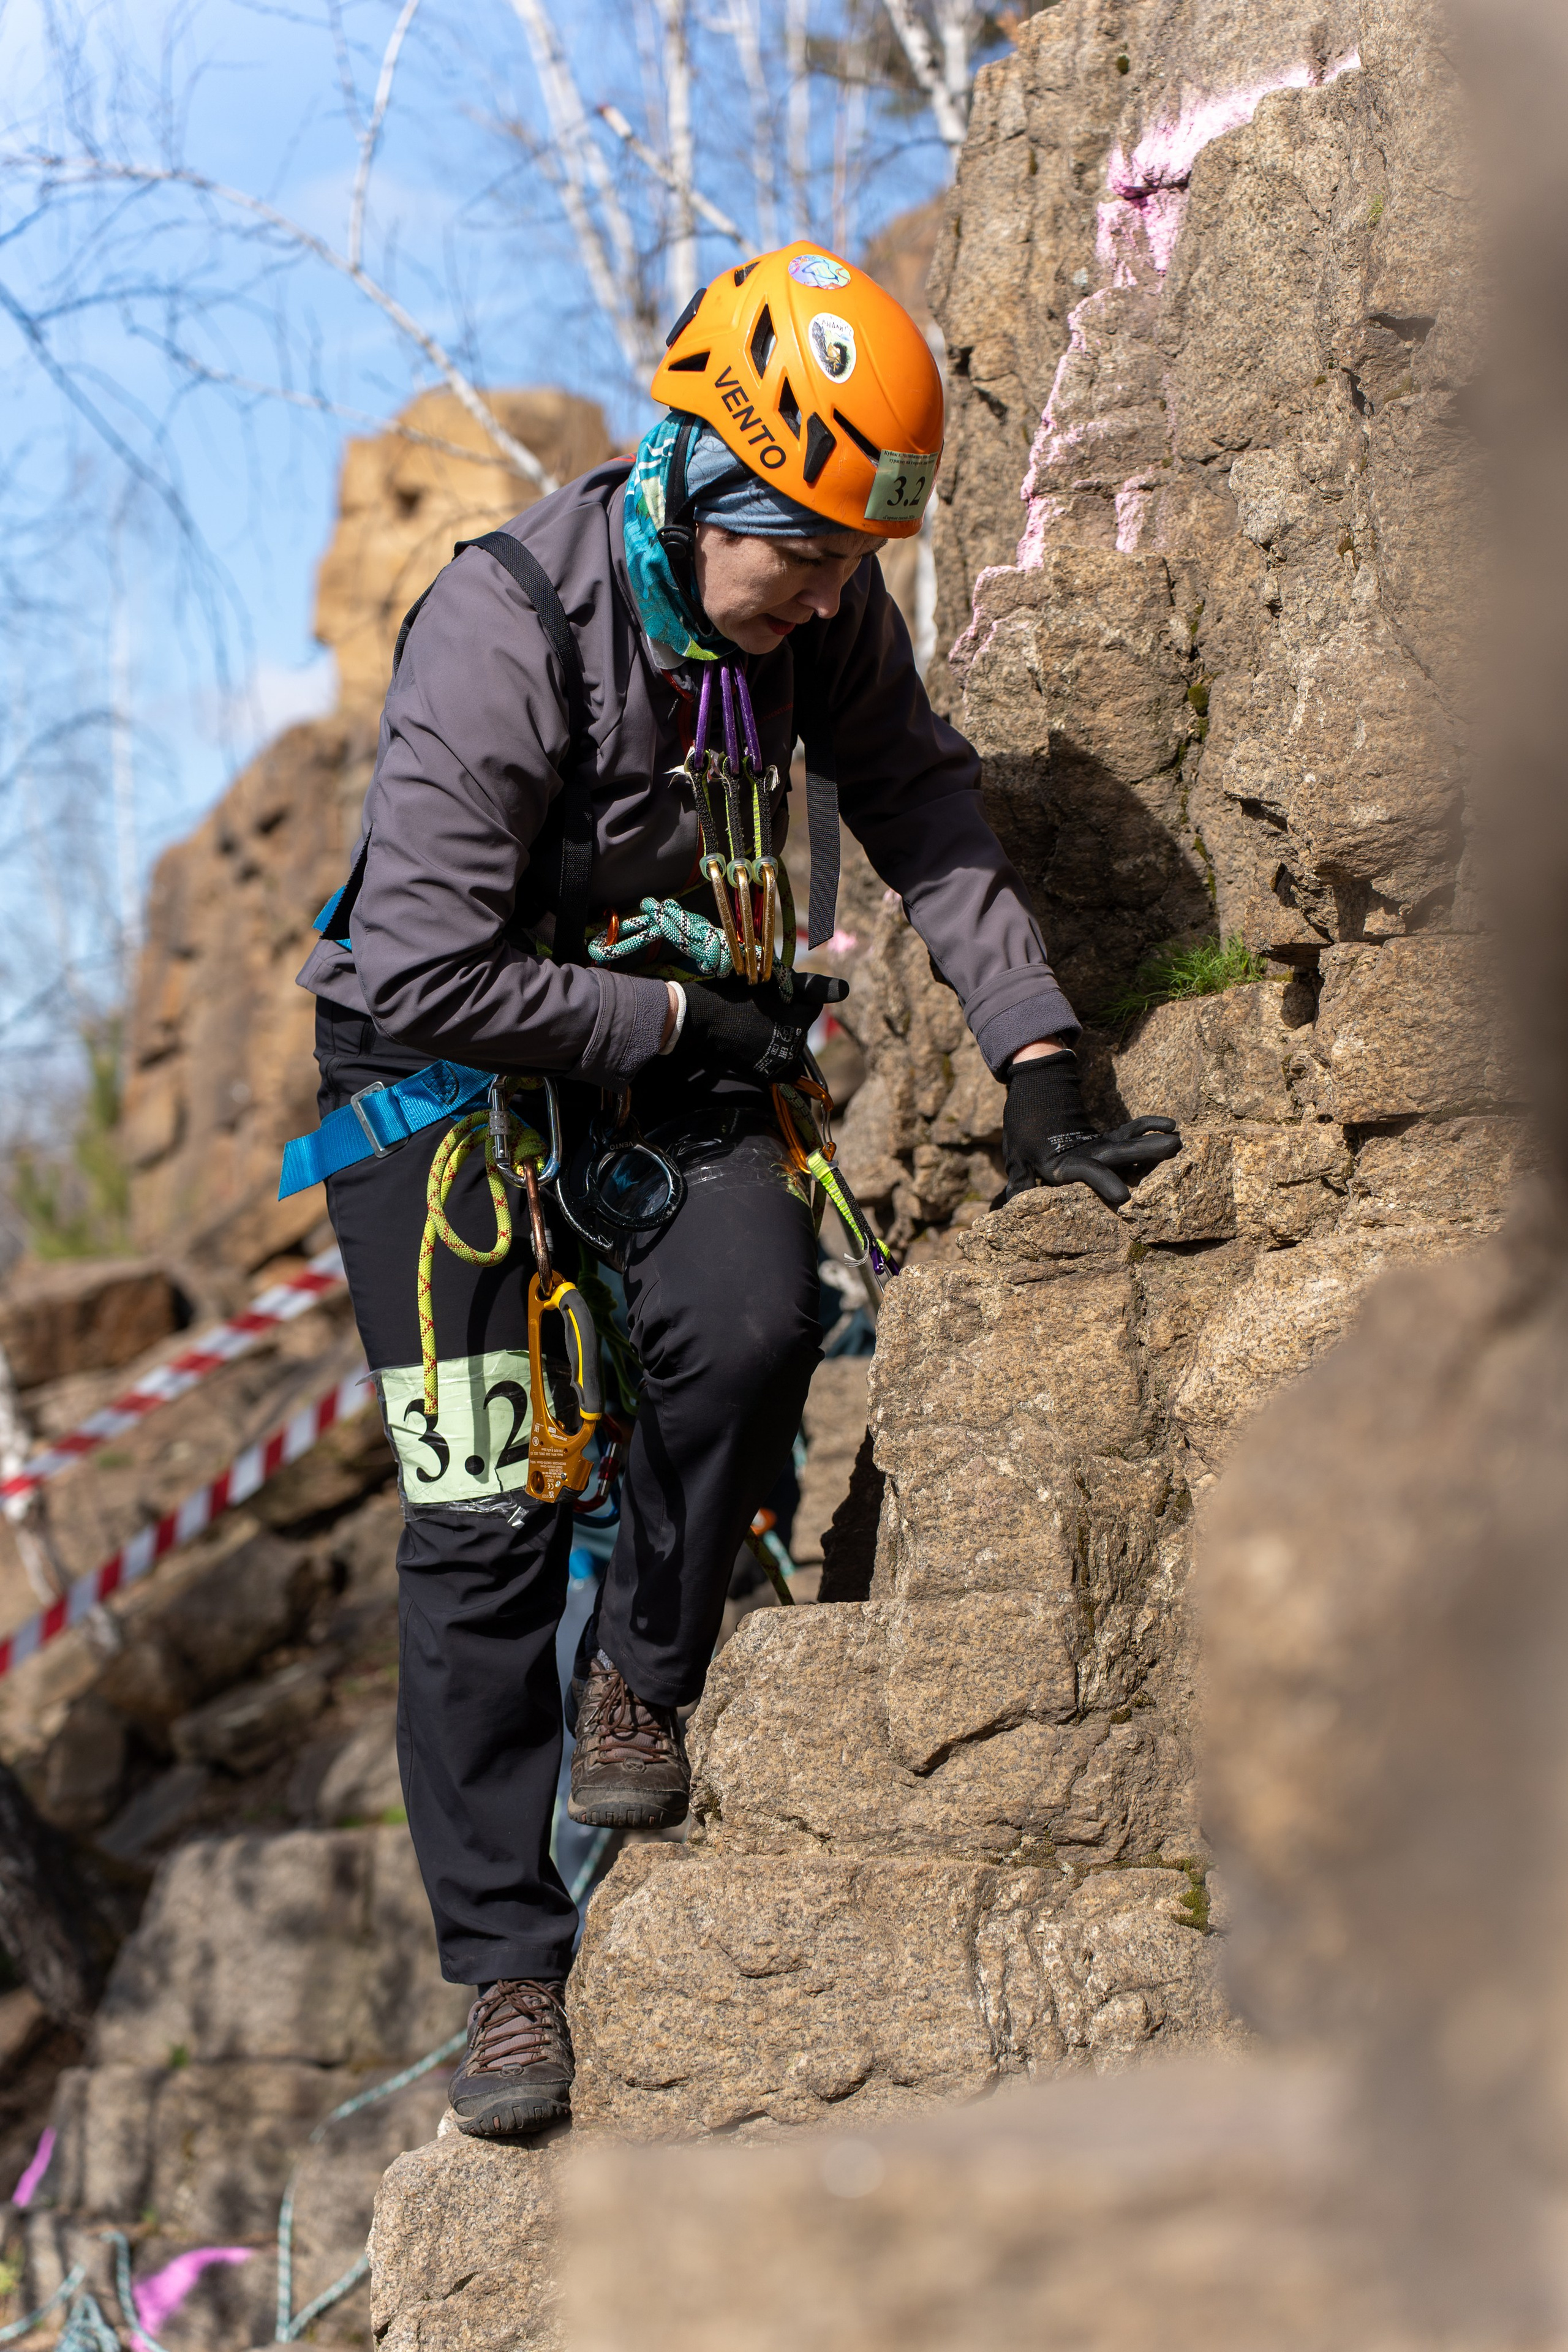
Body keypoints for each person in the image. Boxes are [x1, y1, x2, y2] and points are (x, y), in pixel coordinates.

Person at [286, 243, 1180, 2139]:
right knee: (484, 1513)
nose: (831, 592)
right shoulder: (501, 627)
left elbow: (922, 802)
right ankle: (509, 1973)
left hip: (669, 1029)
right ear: (698, 480)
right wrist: (685, 1014)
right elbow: (423, 968)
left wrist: (1035, 1060)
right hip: (442, 1078)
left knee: (758, 1319)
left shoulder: (817, 617)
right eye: (805, 551)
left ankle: (648, 1673)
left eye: (859, 558)